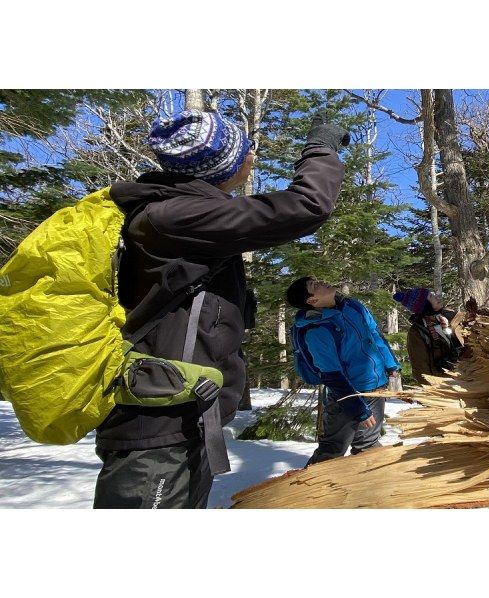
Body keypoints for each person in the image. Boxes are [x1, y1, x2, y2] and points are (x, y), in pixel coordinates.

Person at [93, 109, 349, 508]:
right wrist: (320, 149)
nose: (252, 158)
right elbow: (307, 206)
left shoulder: (181, 212)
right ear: (222, 165)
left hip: (178, 410)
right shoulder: (178, 216)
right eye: (246, 151)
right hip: (157, 424)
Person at [286, 277, 401, 466]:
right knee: (332, 450)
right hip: (348, 397)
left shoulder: (353, 306)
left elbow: (374, 334)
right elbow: (332, 375)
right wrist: (358, 409)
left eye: (317, 280)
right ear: (312, 301)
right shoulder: (316, 330)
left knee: (368, 444)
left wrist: (390, 363)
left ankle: (369, 489)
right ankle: (309, 490)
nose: (323, 282)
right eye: (315, 286)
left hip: (375, 389)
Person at [393, 288, 463, 384]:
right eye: (431, 296)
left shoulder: (451, 316)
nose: (437, 297)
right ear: (424, 304)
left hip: (468, 376)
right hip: (443, 384)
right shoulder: (417, 331)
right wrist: (431, 390)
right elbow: (420, 367)